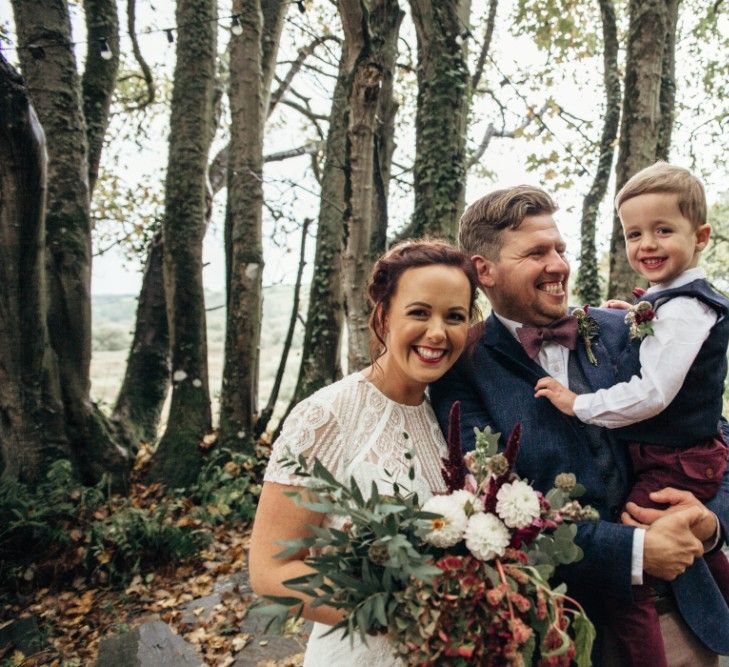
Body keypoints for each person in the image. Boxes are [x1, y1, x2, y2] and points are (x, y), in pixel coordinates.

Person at [429, 185, 729, 665]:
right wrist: (635, 551)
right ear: (483, 270)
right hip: (559, 629)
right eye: (535, 253)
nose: (559, 265)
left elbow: (712, 437)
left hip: (687, 616)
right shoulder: (461, 369)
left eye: (560, 249)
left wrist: (711, 523)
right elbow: (491, 515)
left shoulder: (624, 327)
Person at [248, 240, 481, 667]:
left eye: (454, 317)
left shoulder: (450, 418)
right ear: (383, 316)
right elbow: (270, 572)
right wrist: (401, 616)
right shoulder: (327, 415)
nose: (437, 332)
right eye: (418, 312)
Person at [533, 162, 729, 666]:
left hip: (677, 457)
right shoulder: (665, 303)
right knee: (689, 545)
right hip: (675, 453)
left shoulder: (687, 307)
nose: (647, 244)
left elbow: (655, 393)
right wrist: (634, 317)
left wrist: (580, 405)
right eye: (634, 233)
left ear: (701, 236)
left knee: (636, 560)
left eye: (663, 230)